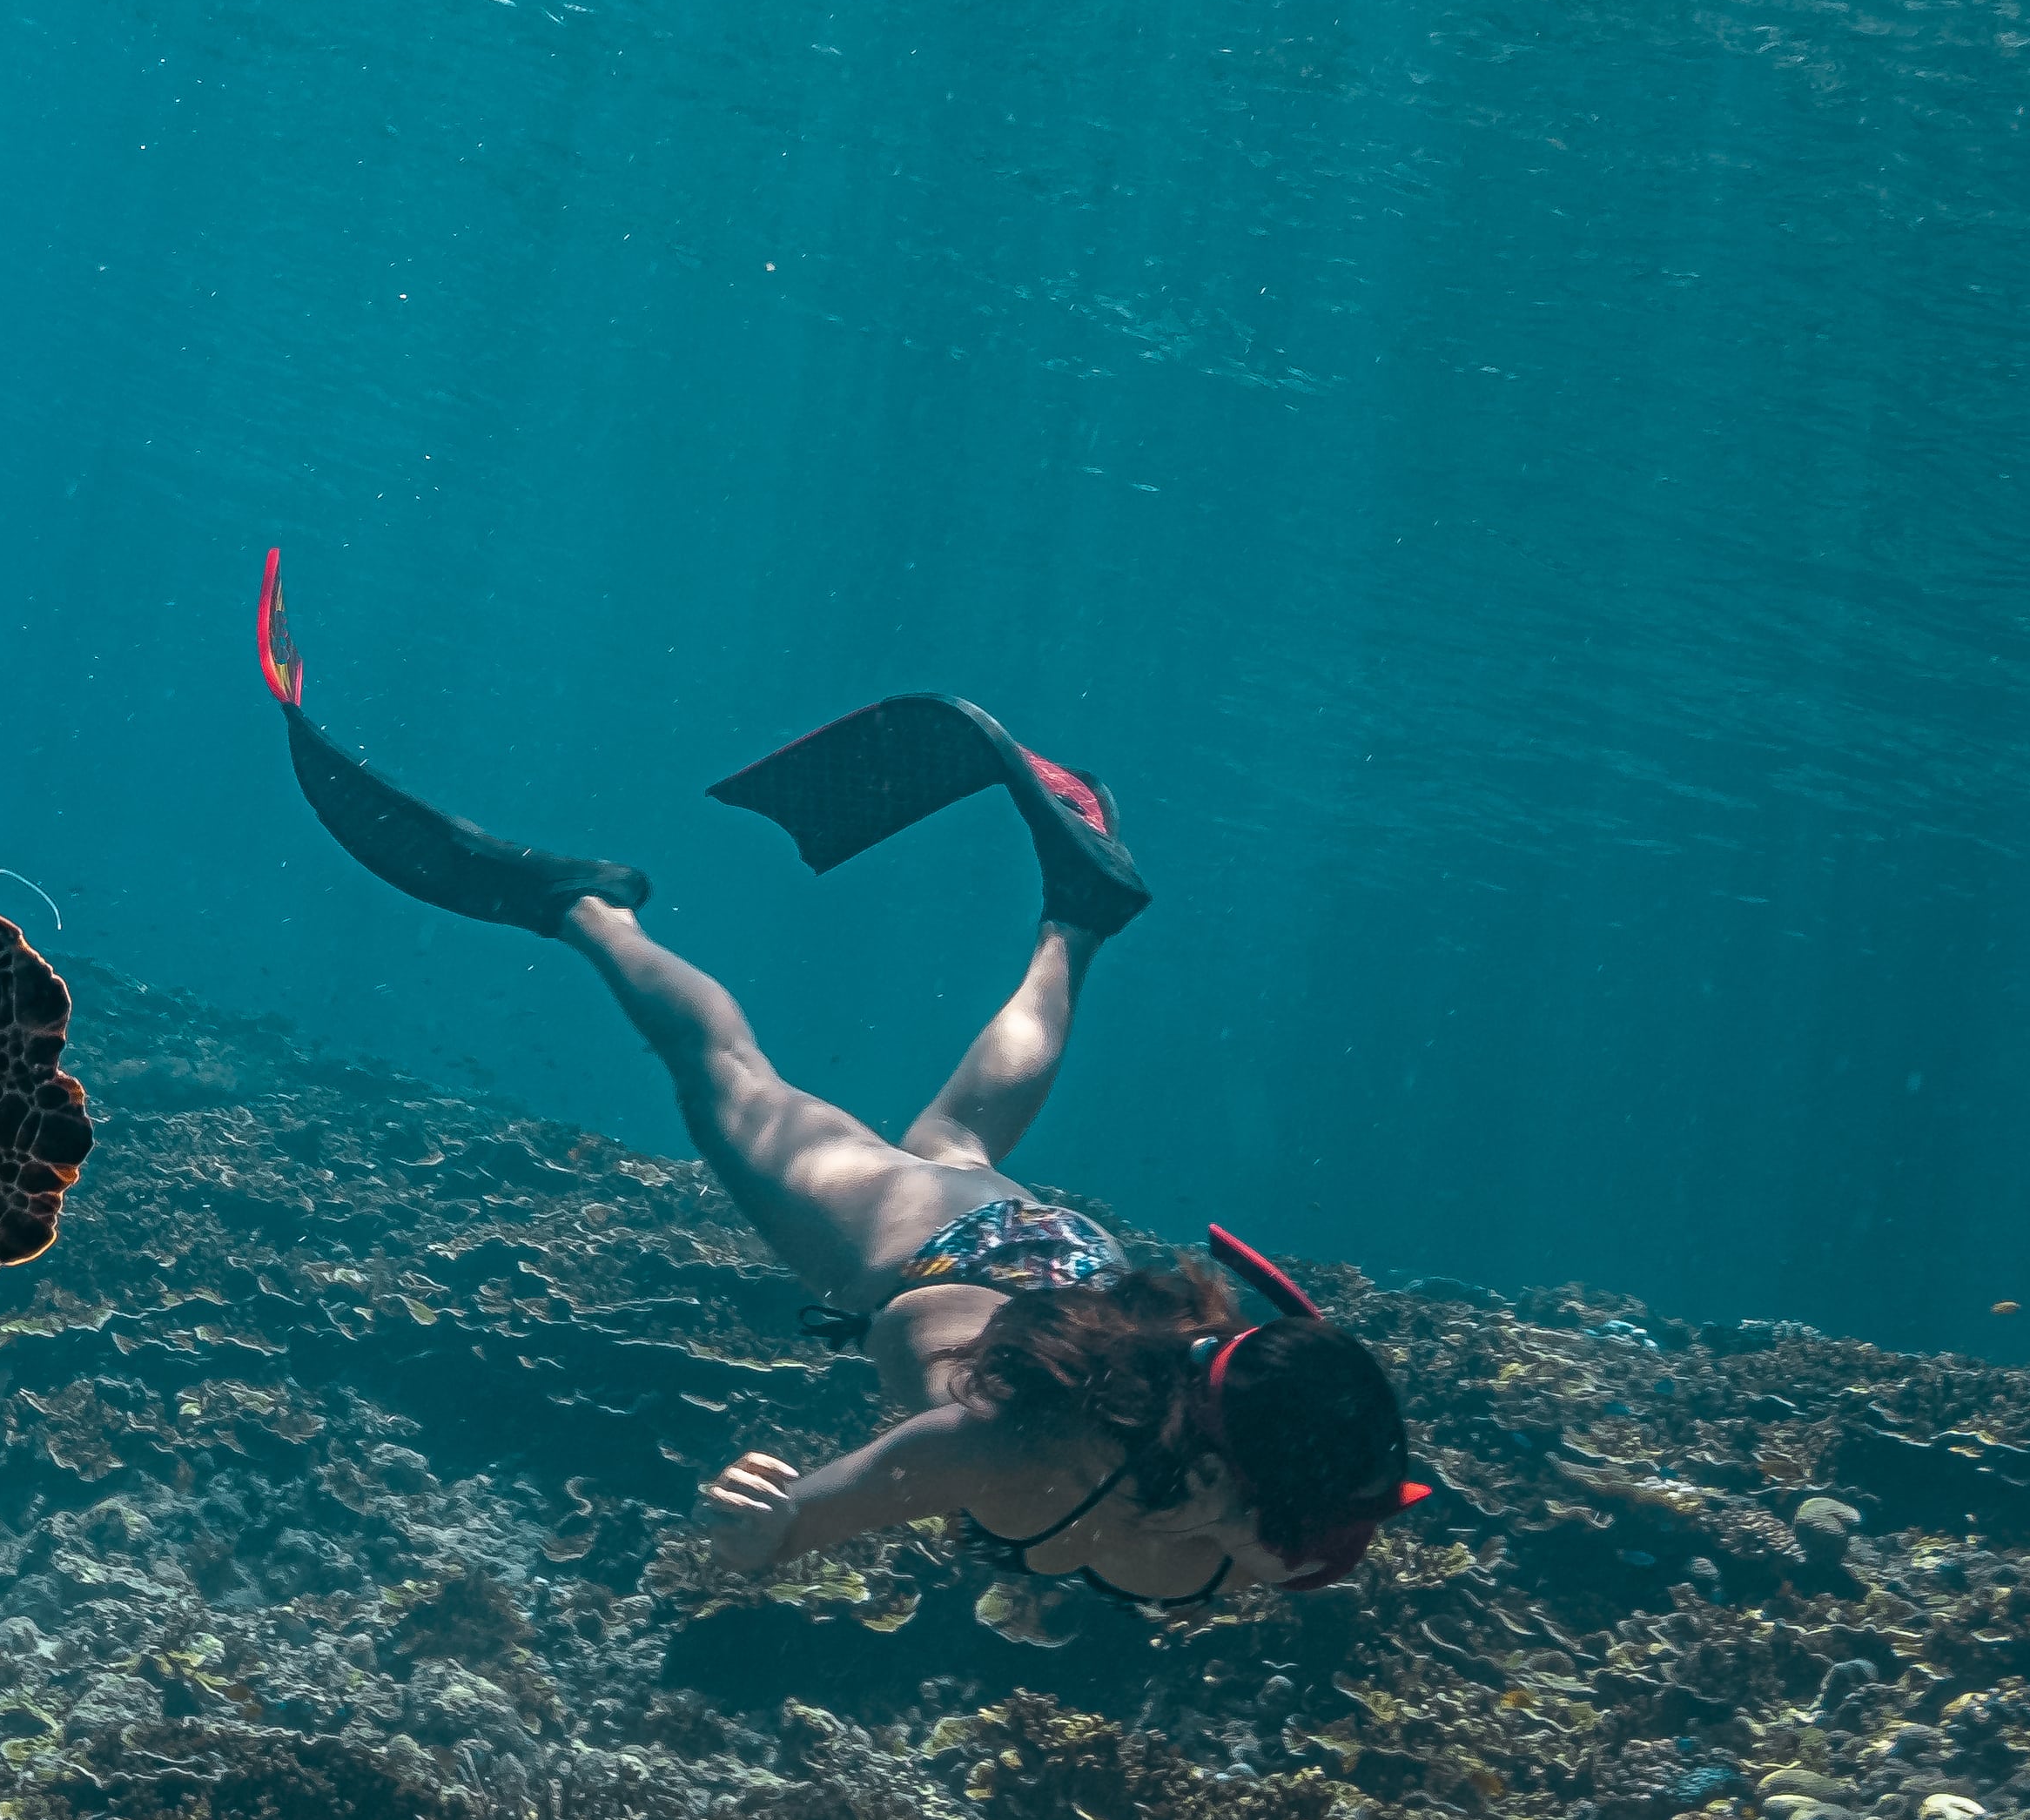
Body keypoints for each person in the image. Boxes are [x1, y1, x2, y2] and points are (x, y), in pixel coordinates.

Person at [253, 554, 1431, 1616]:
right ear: (1221, 1480)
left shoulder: (1223, 1477)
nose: (1346, 1559)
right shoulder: (1001, 1451)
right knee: (726, 1081)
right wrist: (759, 1527)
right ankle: (584, 907)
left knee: (959, 1143)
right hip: (933, 1262)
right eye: (1327, 1542)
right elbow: (781, 1532)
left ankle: (1078, 919)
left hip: (1059, 1268)